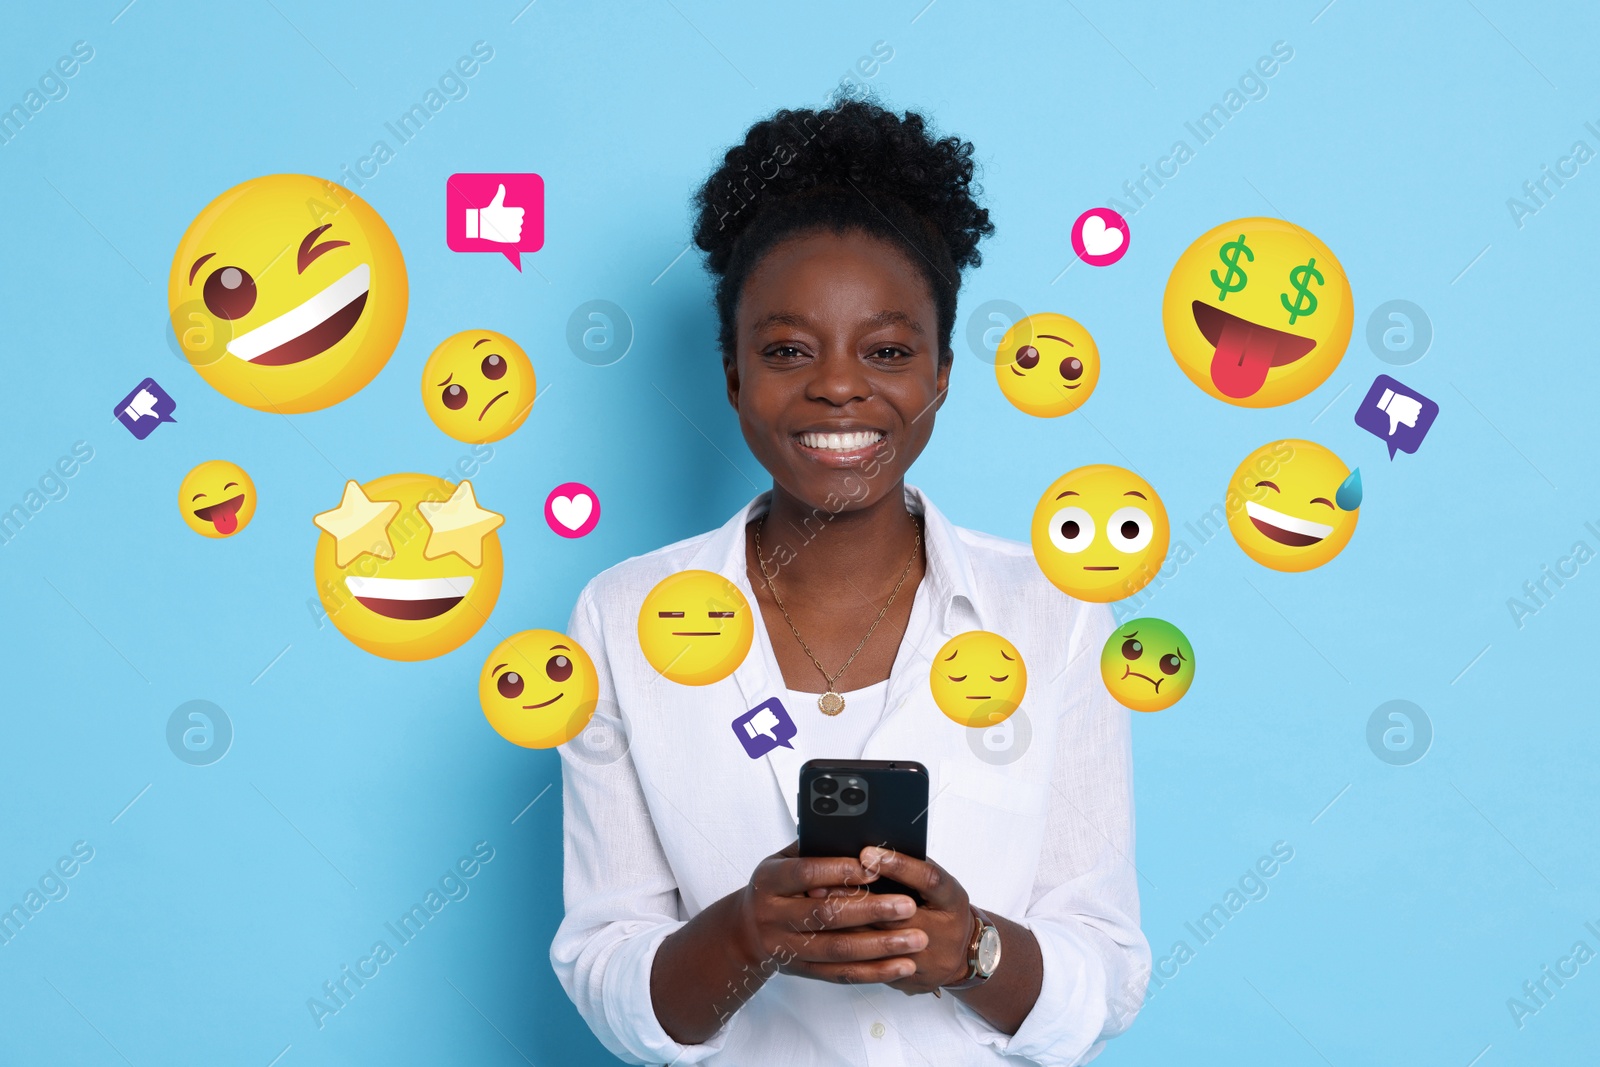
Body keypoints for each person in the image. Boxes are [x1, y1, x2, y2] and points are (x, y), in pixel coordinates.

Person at [550, 96, 1148, 1067]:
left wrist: (971, 949)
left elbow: (1105, 967)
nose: (837, 385)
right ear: (734, 374)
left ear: (944, 371)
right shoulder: (619, 620)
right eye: (787, 350)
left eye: (887, 350)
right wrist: (747, 932)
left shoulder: (1058, 614)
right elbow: (609, 969)